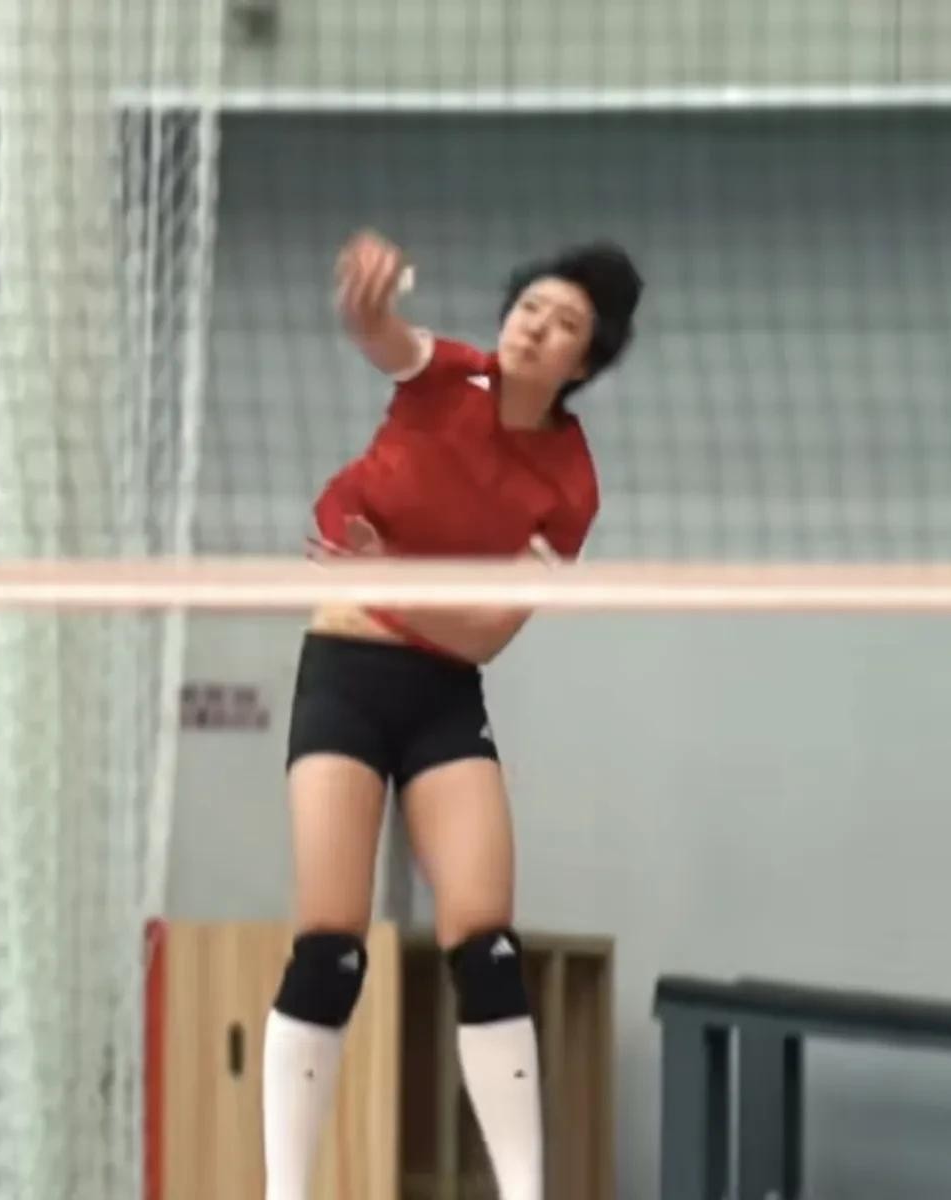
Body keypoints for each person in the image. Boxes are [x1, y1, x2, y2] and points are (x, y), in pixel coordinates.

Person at [259, 229, 642, 1200]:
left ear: (583, 364)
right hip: (344, 673)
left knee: (489, 946)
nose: (536, 327)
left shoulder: (570, 483)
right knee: (331, 946)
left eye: (564, 324)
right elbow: (383, 335)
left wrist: (393, 580)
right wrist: (364, 302)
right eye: (530, 307)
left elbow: (485, 635)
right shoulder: (447, 378)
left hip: (442, 693)